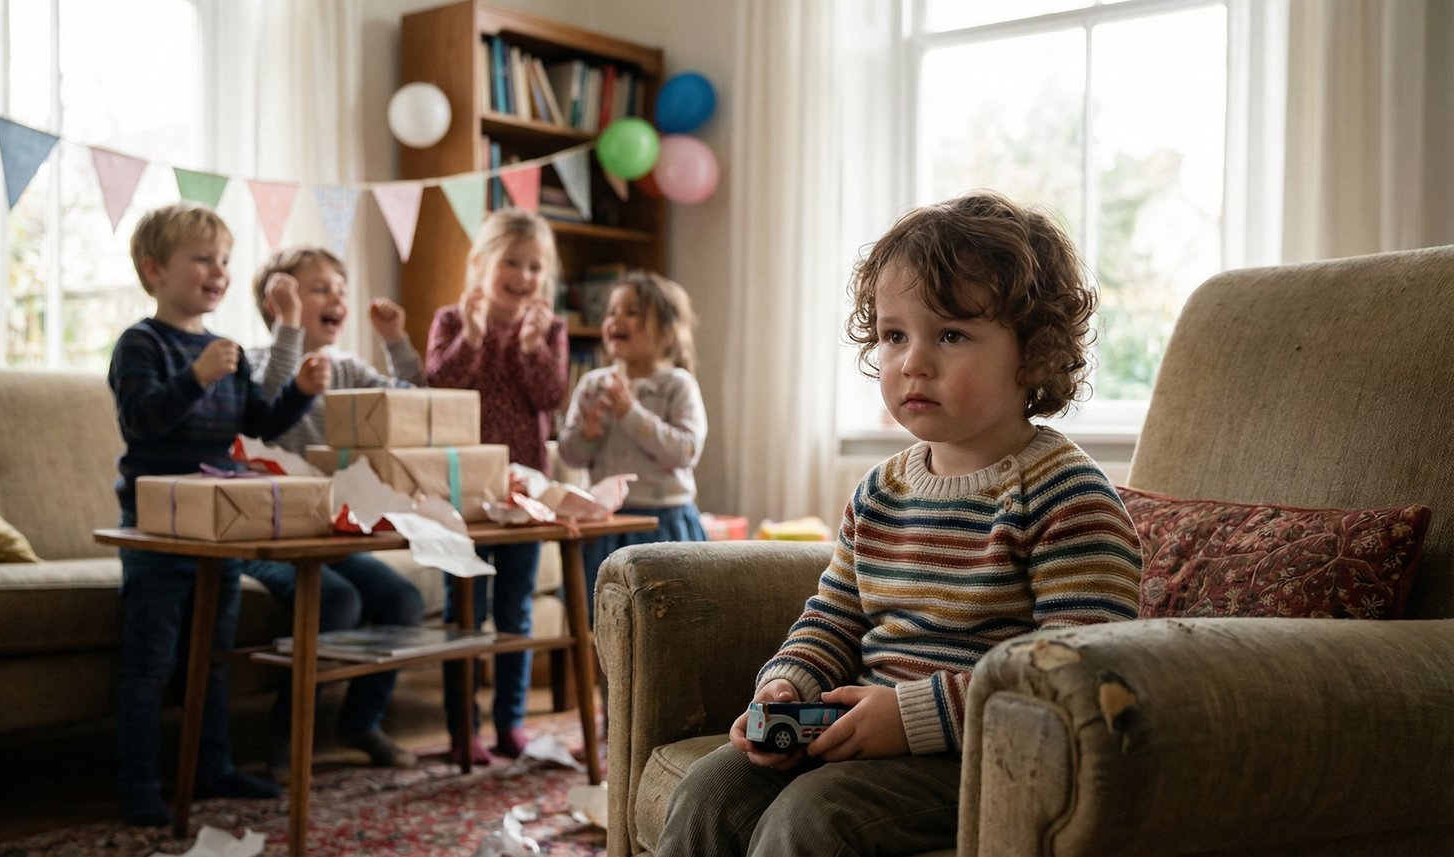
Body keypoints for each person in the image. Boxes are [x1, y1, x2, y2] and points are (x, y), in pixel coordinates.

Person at [654, 190, 1144, 856]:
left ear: (1033, 351)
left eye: (950, 334)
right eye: (894, 335)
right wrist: (787, 684)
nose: (913, 360)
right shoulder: (879, 492)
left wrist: (911, 717)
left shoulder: (1068, 494)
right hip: (865, 735)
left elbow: (1074, 673)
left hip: (986, 761)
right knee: (712, 791)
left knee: (814, 817)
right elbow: (832, 620)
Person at [109, 203, 330, 826]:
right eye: (203, 258)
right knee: (151, 663)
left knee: (214, 655)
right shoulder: (140, 343)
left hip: (221, 525)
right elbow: (141, 420)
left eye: (225, 260)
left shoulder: (223, 350)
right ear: (154, 270)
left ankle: (212, 766)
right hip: (158, 531)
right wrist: (194, 379)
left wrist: (300, 394)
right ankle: (138, 781)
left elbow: (257, 423)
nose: (219, 271)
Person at [246, 246, 427, 781]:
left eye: (340, 289)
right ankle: (288, 733)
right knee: (338, 600)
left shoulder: (349, 368)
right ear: (278, 301)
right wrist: (288, 332)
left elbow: (411, 403)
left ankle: (360, 721)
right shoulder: (258, 360)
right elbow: (264, 413)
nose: (337, 298)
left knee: (404, 600)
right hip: (270, 535)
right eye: (319, 287)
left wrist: (395, 340)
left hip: (331, 533)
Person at [424, 208, 568, 765]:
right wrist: (476, 337)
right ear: (482, 264)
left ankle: (511, 723)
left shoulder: (549, 330)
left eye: (536, 267)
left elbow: (549, 397)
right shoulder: (452, 321)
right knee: (466, 615)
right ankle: (463, 729)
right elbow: (440, 383)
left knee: (516, 613)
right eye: (512, 262)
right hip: (459, 493)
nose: (524, 276)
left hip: (523, 495)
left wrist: (531, 349)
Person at [557, 270, 708, 623]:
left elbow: (685, 451)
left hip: (664, 522)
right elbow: (569, 453)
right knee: (603, 620)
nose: (616, 319)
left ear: (667, 330)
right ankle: (602, 681)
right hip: (605, 523)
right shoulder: (593, 384)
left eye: (632, 312)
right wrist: (588, 433)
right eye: (612, 311)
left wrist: (630, 413)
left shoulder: (677, 385)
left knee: (665, 620)